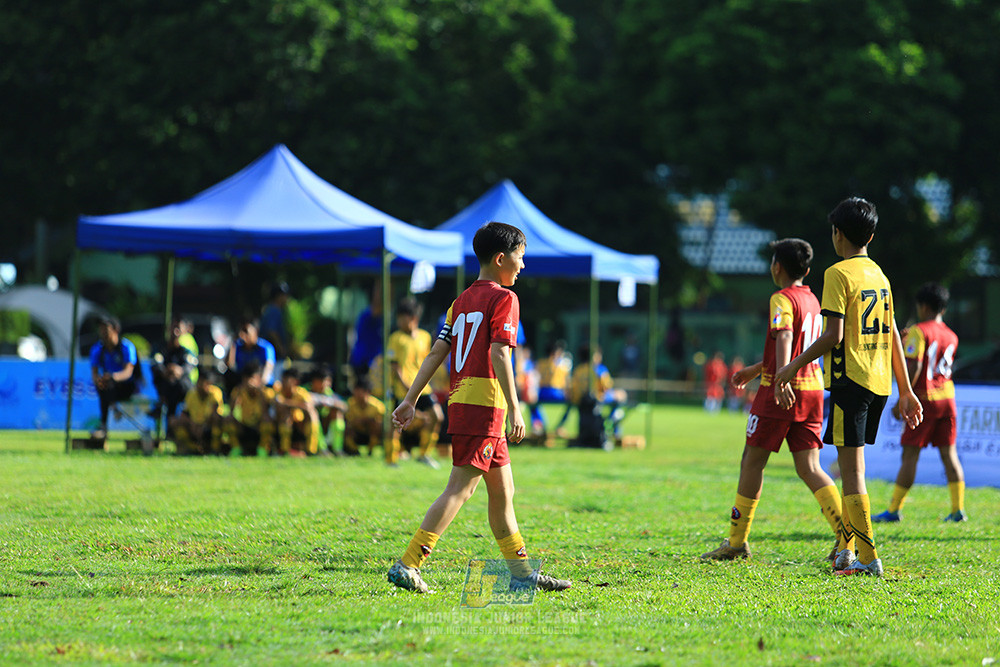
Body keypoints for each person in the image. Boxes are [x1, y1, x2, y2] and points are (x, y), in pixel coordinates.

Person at [386, 221, 570, 594]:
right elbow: (499, 352)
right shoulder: (505, 299)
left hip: (466, 403)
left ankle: (520, 573)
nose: (523, 265)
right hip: (485, 407)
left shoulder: (461, 301)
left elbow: (438, 352)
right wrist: (517, 408)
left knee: (504, 492)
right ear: (501, 259)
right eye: (520, 258)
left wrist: (410, 398)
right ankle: (409, 562)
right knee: (461, 489)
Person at [776, 198, 923, 577]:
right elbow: (891, 335)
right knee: (852, 467)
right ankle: (844, 550)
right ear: (871, 236)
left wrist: (793, 365)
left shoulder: (838, 274)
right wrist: (906, 391)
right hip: (879, 383)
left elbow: (834, 336)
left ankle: (868, 557)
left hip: (850, 381)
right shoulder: (879, 275)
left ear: (836, 233)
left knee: (852, 472)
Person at [701, 239, 846, 563]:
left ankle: (736, 543)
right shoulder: (811, 299)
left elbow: (784, 337)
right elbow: (800, 343)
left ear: (776, 267)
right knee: (810, 467)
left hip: (781, 390)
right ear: (806, 270)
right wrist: (756, 368)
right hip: (811, 389)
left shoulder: (780, 298)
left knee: (752, 461)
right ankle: (845, 537)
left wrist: (779, 378)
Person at [873, 283, 967, 523]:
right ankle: (957, 510)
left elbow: (914, 365)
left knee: (910, 455)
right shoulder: (952, 335)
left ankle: (893, 510)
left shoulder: (918, 331)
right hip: (948, 399)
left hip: (924, 400)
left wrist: (903, 397)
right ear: (943, 308)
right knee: (949, 455)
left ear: (922, 306)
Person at [386, 296, 442, 468]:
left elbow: (430, 361)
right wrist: (404, 385)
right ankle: (391, 458)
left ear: (414, 318)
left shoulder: (425, 337)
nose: (400, 321)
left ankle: (424, 454)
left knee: (437, 416)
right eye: (399, 317)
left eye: (404, 317)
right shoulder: (395, 338)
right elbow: (394, 366)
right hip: (403, 390)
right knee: (395, 423)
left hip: (423, 388)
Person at [89, 316, 139, 439]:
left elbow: (128, 372)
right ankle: (107, 419)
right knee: (103, 386)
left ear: (116, 330)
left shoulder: (126, 347)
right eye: (101, 329)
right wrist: (99, 380)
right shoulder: (97, 349)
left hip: (127, 387)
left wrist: (112, 377)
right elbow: (94, 374)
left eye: (106, 328)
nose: (103, 332)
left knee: (108, 384)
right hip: (108, 388)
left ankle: (104, 424)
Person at [568, 345, 627, 443]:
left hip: (579, 400)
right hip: (596, 399)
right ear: (594, 356)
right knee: (621, 395)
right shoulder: (599, 369)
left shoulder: (578, 369)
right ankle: (613, 426)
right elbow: (606, 387)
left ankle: (610, 424)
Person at [149, 320, 198, 421]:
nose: (175, 332)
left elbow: (189, 366)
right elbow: (155, 364)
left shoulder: (186, 351)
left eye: (178, 329)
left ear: (183, 331)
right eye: (173, 328)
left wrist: (178, 371)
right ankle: (171, 421)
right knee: (168, 384)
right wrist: (166, 372)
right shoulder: (160, 348)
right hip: (165, 386)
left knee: (176, 385)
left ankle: (169, 417)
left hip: (181, 388)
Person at [225, 362, 276, 456]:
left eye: (252, 378)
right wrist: (239, 391)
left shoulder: (266, 392)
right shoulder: (239, 390)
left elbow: (266, 412)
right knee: (228, 420)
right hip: (244, 426)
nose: (249, 382)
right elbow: (231, 410)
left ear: (259, 379)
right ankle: (236, 449)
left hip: (259, 426)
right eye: (246, 379)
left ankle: (262, 449)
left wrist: (259, 391)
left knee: (267, 422)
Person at [170, 369, 224, 455]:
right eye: (199, 382)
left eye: (203, 383)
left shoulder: (215, 393)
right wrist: (192, 424)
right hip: (194, 426)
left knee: (217, 422)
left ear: (209, 384)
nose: (200, 385)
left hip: (208, 427)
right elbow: (184, 413)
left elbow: (215, 414)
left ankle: (215, 449)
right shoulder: (191, 394)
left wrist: (203, 426)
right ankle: (193, 449)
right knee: (174, 421)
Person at [273, 367, 321, 456]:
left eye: (286, 380)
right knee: (286, 415)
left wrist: (287, 403)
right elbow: (278, 405)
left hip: (300, 426)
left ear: (295, 382)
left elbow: (308, 407)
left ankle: (311, 451)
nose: (283, 382)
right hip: (281, 426)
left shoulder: (301, 393)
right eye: (282, 379)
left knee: (312, 414)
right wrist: (296, 405)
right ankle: (284, 450)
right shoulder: (278, 392)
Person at [226, 319, 276, 393]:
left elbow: (268, 368)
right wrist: (233, 344)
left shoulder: (265, 348)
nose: (243, 335)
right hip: (243, 382)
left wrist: (258, 385)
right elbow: (229, 364)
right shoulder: (238, 346)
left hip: (262, 383)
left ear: (255, 332)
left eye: (246, 331)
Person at [349, 281, 383, 381]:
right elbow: (377, 301)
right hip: (363, 360)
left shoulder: (379, 317)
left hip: (372, 360)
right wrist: (380, 283)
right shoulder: (368, 315)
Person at [343, 376, 385, 456]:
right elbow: (348, 421)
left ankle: (371, 449)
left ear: (367, 392)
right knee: (346, 428)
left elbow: (381, 424)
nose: (356, 394)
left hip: (372, 434)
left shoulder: (377, 406)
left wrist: (367, 421)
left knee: (375, 425)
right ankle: (353, 450)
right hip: (357, 432)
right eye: (355, 391)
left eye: (359, 391)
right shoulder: (351, 403)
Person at [261, 281, 292, 362]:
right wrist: (281, 349)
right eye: (285, 295)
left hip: (271, 355)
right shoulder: (274, 310)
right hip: (273, 357)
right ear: (278, 296)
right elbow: (272, 332)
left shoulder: (271, 309)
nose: (287, 298)